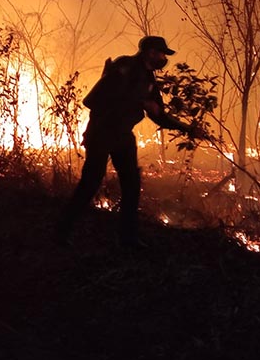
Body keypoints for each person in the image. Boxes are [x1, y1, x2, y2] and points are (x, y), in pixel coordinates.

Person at [56, 36, 204, 248]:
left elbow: (158, 114)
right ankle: (62, 232)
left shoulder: (149, 79)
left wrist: (187, 129)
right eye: (161, 53)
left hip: (122, 135)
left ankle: (128, 239)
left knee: (131, 185)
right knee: (90, 183)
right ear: (150, 52)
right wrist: (139, 101)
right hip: (102, 133)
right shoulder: (124, 66)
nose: (164, 58)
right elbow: (93, 100)